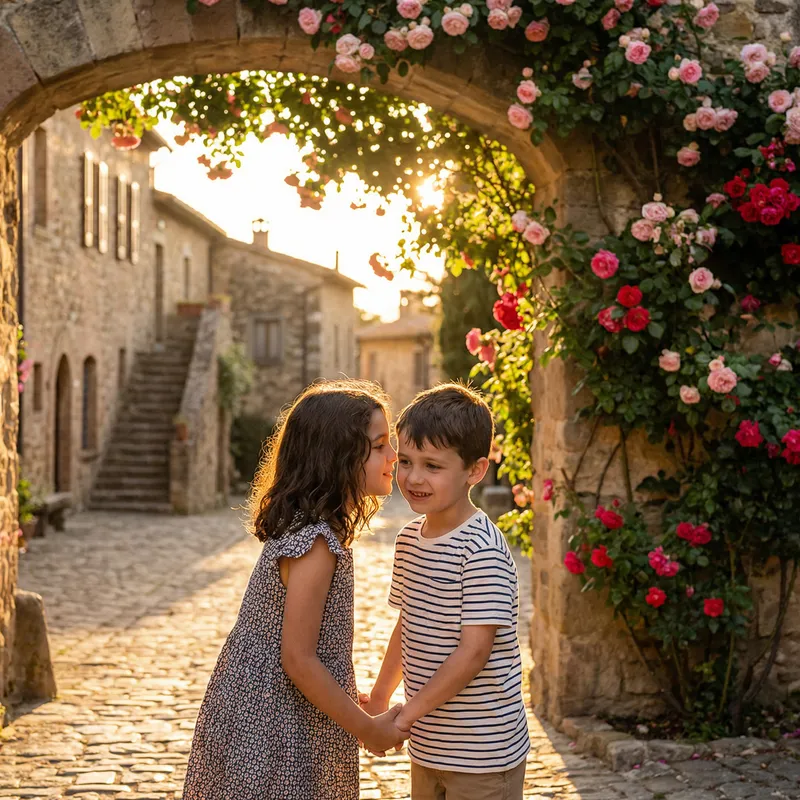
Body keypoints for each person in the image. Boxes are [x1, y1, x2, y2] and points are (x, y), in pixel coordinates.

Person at [182, 379, 407, 800]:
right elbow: (298, 660)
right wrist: (367, 729)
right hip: (277, 725)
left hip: (265, 708)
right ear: (337, 456)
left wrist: (345, 695)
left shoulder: (313, 532)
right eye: (379, 446)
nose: (393, 455)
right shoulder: (316, 543)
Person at [362, 383, 530, 800]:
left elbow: (474, 653)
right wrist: (383, 696)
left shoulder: (481, 549)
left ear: (474, 470)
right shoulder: (409, 540)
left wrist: (405, 718)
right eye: (405, 461)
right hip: (429, 746)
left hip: (485, 752)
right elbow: (409, 625)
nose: (413, 477)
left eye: (432, 466)